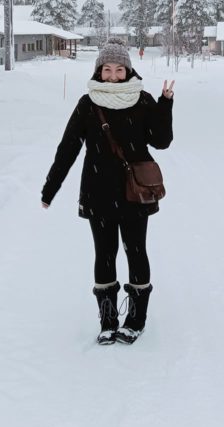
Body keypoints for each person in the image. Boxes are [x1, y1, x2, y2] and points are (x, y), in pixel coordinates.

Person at [41, 38, 174, 345]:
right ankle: (108, 320)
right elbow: (68, 149)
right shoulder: (88, 104)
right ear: (98, 71)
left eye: (118, 69)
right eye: (107, 69)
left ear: (128, 70)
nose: (113, 75)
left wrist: (165, 103)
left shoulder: (141, 100)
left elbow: (162, 140)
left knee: (136, 251)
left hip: (134, 193)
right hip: (98, 192)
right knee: (105, 254)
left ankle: (136, 319)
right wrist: (50, 190)